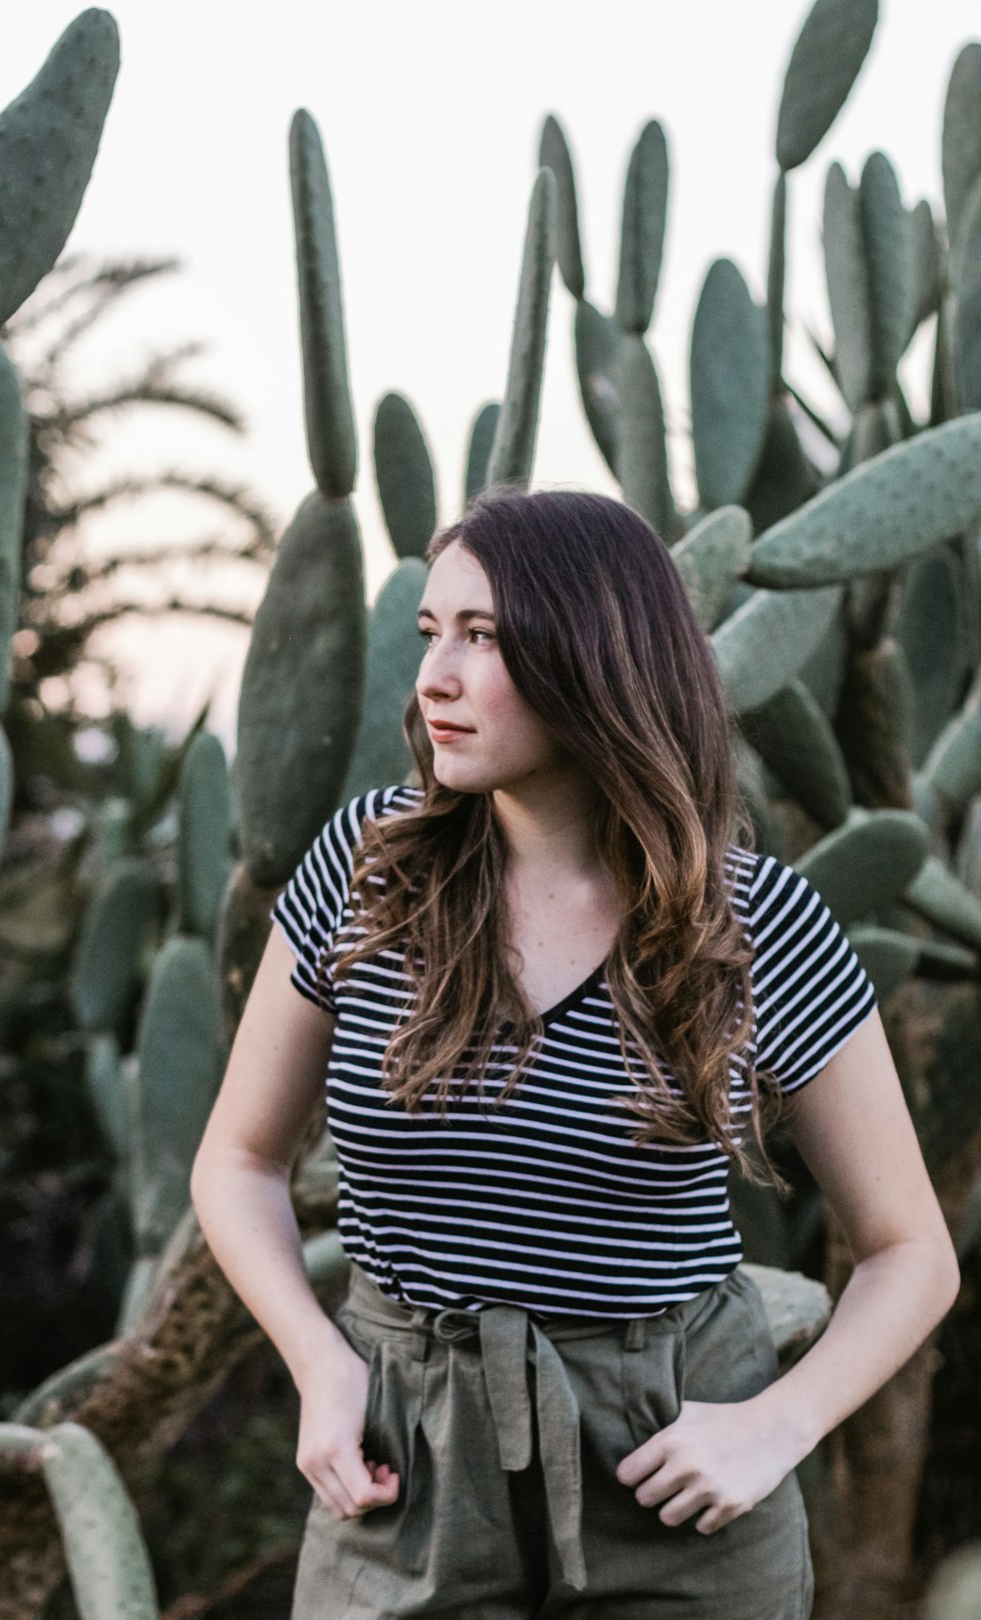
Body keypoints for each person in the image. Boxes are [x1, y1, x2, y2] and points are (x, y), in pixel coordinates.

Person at [190, 488, 959, 1619]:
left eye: (483, 637)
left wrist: (774, 1427)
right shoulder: (366, 872)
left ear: (594, 659)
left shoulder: (759, 923)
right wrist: (322, 1366)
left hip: (669, 1464)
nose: (434, 678)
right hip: (406, 1458)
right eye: (430, 634)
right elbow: (239, 1161)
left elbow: (910, 1252)